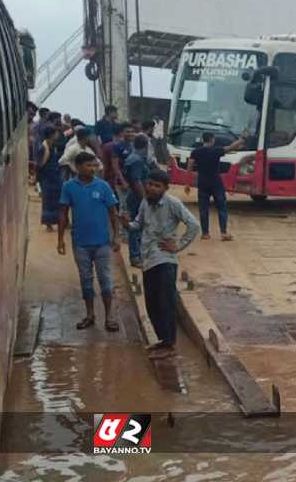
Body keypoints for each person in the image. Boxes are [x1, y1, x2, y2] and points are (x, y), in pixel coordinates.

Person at [121, 171, 200, 359]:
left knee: (165, 302)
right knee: (152, 303)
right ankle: (163, 341)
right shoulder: (145, 202)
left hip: (165, 259)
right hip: (148, 259)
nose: (152, 188)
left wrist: (178, 245)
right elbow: (138, 224)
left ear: (165, 188)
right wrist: (126, 224)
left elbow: (193, 225)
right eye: (150, 184)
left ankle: (170, 345)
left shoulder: (173, 203)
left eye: (157, 186)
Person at [58, 152, 121, 332]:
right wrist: (60, 239)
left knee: (105, 280)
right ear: (78, 167)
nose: (93, 169)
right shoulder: (68, 187)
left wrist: (116, 236)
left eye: (94, 165)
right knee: (85, 280)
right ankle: (90, 315)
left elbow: (113, 212)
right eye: (89, 165)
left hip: (102, 243)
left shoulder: (103, 186)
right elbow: (63, 213)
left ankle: (109, 317)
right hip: (80, 243)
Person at [186, 131, 246, 241]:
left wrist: (187, 183)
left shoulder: (195, 152)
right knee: (222, 207)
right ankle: (223, 233)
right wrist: (241, 140)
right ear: (212, 140)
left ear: (203, 140)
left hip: (202, 183)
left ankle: (205, 233)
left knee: (203, 209)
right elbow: (231, 147)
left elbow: (189, 167)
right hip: (216, 183)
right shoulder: (216, 150)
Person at [123, 135, 151, 268]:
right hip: (137, 197)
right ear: (146, 146)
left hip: (134, 195)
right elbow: (136, 181)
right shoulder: (137, 160)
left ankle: (139, 254)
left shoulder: (133, 157)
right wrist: (145, 199)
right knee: (136, 227)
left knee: (138, 226)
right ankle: (135, 256)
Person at [36, 126, 64, 231]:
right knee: (48, 200)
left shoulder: (53, 146)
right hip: (47, 177)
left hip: (55, 176)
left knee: (57, 199)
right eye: (56, 133)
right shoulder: (43, 148)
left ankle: (57, 221)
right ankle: (48, 224)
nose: (57, 135)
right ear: (52, 135)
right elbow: (40, 164)